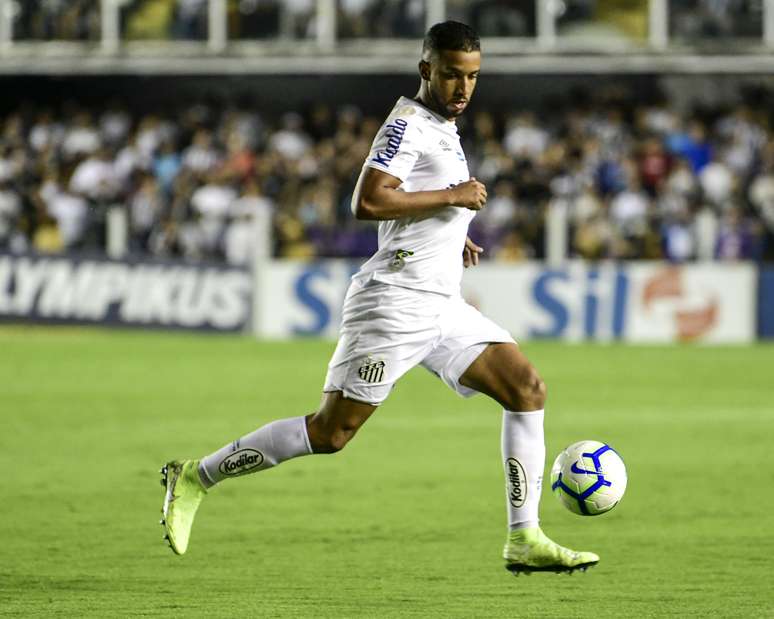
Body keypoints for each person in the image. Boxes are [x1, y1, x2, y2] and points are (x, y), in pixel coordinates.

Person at [160, 20, 599, 574]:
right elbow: (368, 201)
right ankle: (197, 476)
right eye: (451, 76)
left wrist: (452, 230)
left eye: (473, 77)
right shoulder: (408, 124)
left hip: (439, 302)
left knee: (526, 388)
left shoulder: (444, 126)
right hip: (393, 303)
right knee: (330, 432)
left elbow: (415, 202)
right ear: (426, 71)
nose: (463, 88)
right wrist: (454, 197)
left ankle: (524, 536)